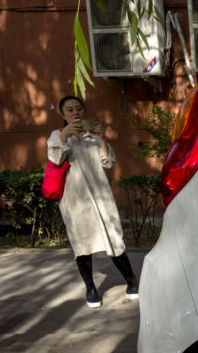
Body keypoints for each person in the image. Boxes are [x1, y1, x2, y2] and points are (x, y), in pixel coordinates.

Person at [46, 95, 138, 308]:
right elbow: (55, 159)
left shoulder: (94, 137)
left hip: (101, 197)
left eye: (78, 108)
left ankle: (132, 281)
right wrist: (65, 136)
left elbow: (108, 163)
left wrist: (103, 138)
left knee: (114, 239)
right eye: (70, 110)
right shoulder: (56, 136)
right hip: (75, 202)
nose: (75, 112)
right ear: (62, 114)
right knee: (82, 244)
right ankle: (91, 289)